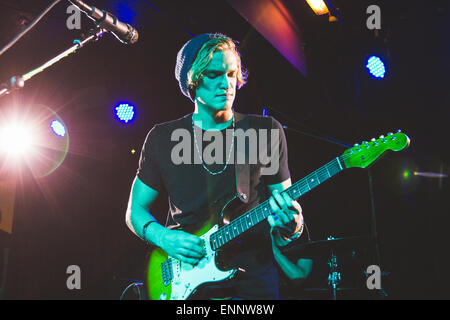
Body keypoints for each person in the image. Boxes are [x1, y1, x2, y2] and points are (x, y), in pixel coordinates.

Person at [125, 33, 304, 300]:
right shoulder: (162, 137)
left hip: (251, 282)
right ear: (193, 80)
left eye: (231, 74)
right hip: (187, 280)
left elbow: (285, 212)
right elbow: (134, 211)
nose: (226, 84)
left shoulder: (265, 131)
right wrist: (163, 238)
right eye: (214, 75)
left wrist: (293, 223)